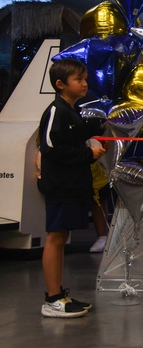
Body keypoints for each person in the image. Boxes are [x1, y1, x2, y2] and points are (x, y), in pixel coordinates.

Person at [37, 58, 106, 318]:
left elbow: (74, 138)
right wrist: (88, 154)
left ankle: (59, 295)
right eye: (78, 79)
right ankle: (52, 299)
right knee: (55, 239)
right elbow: (51, 148)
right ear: (60, 84)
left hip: (73, 186)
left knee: (61, 239)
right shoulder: (56, 110)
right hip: (60, 186)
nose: (84, 83)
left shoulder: (72, 111)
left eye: (85, 78)